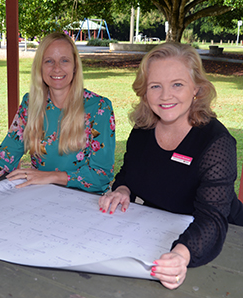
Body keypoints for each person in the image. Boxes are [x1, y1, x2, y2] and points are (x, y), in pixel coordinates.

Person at [98, 42, 243, 289]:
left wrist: (181, 256)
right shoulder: (143, 130)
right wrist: (122, 190)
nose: (165, 96)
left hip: (224, 241)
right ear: (145, 92)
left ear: (196, 88)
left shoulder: (216, 143)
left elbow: (212, 218)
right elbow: (128, 175)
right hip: (159, 233)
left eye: (177, 84)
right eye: (156, 86)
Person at [0, 32, 115, 201]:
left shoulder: (99, 108)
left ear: (75, 66)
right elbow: (5, 155)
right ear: (39, 67)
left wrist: (50, 176)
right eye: (49, 61)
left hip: (85, 201)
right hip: (39, 199)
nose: (56, 68)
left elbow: (101, 175)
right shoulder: (30, 104)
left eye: (64, 60)